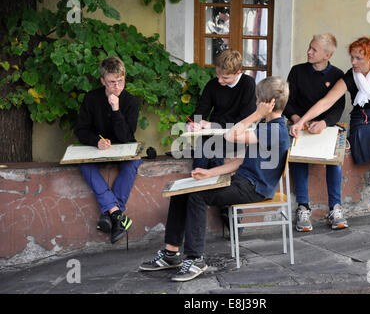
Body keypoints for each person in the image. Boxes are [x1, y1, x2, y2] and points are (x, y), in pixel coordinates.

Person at [139, 76, 290, 282]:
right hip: (242, 180)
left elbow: (230, 136)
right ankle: (171, 254)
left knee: (199, 196)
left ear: (266, 103)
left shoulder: (276, 130)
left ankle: (196, 258)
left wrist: (255, 114)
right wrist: (210, 173)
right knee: (182, 192)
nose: (255, 102)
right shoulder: (265, 125)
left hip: (254, 188)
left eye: (257, 100)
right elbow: (241, 160)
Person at [293, 37, 370, 226]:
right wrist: (302, 121)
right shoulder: (350, 76)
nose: (353, 62)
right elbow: (326, 102)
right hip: (364, 121)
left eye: (358, 59)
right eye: (352, 57)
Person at [186, 48, 257, 231]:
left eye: (225, 78)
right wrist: (194, 123)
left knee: (211, 148)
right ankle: (213, 204)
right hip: (215, 134)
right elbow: (201, 109)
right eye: (218, 75)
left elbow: (245, 117)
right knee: (205, 147)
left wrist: (213, 125)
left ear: (238, 73)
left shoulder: (248, 84)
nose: (220, 80)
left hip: (239, 134)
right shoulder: (212, 85)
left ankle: (202, 201)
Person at [74, 56, 143, 244]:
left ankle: (111, 214)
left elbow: (126, 136)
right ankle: (117, 214)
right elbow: (80, 130)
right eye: (112, 82)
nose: (117, 86)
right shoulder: (91, 98)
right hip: (99, 150)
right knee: (84, 165)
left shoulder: (130, 102)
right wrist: (96, 141)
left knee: (134, 162)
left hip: (123, 148)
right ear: (103, 81)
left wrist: (115, 109)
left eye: (121, 81)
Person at [284, 34, 347, 232]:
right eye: (309, 47)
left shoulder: (338, 74)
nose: (309, 52)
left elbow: (338, 107)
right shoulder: (297, 71)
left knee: (334, 159)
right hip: (300, 126)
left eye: (314, 50)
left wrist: (324, 123)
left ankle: (335, 208)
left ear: (327, 55)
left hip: (325, 128)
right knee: (299, 158)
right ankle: (303, 207)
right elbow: (286, 100)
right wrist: (296, 119)